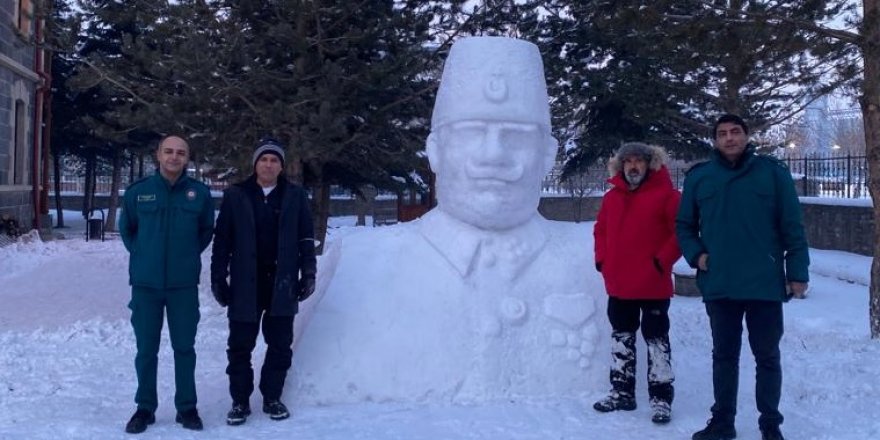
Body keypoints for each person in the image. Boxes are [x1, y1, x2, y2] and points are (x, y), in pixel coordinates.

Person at [291, 36, 607, 405]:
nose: (493, 156)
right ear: (435, 150)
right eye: (473, 132)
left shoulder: (593, 262)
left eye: (516, 136)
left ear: (548, 154)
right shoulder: (359, 264)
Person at [677, 114, 809, 440]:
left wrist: (797, 273)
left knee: (767, 357)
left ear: (747, 136)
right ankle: (722, 423)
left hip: (764, 283)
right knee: (724, 357)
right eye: (722, 134)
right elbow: (684, 225)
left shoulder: (773, 174)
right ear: (715, 140)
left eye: (736, 132)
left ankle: (770, 427)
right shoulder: (701, 178)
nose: (730, 138)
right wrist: (697, 255)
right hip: (720, 283)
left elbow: (792, 227)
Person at [210, 138, 317, 426]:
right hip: (246, 283)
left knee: (280, 343)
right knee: (240, 345)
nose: (268, 165)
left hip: (282, 283)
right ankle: (240, 401)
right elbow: (222, 241)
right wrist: (218, 277)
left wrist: (308, 272)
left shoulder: (295, 196)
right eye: (264, 159)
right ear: (255, 163)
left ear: (281, 166)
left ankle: (272, 396)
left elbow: (306, 237)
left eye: (274, 160)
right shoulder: (236, 195)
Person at [119, 135, 215, 434]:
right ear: (158, 154)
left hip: (182, 286)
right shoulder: (138, 193)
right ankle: (144, 407)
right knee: (146, 349)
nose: (174, 157)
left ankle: (186, 407)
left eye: (181, 153)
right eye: (169, 151)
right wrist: (146, 255)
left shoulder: (199, 195)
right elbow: (128, 232)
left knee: (184, 348)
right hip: (146, 285)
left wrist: (183, 259)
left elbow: (205, 232)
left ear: (187, 158)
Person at [593, 142, 681, 424]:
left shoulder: (668, 196)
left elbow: (680, 233)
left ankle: (661, 398)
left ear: (650, 164)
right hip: (619, 284)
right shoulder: (611, 198)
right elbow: (600, 230)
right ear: (620, 165)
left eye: (638, 161)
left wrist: (661, 262)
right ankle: (622, 392)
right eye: (627, 161)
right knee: (622, 338)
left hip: (653, 284)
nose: (633, 166)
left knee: (657, 341)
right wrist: (602, 260)